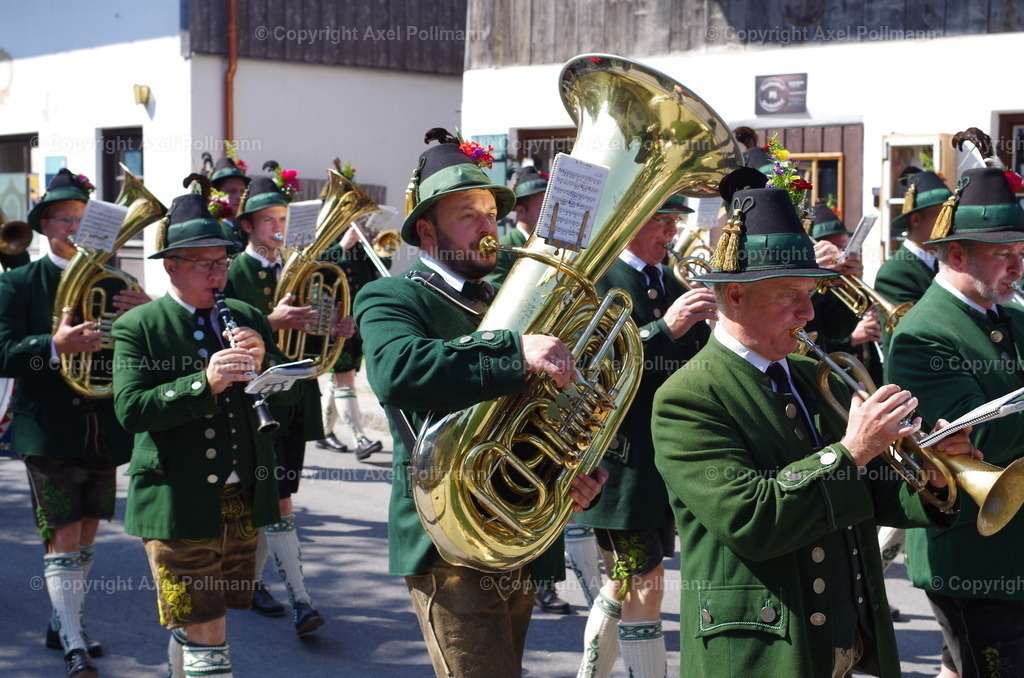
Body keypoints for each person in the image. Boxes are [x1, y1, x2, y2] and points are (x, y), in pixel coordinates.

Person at [651, 178, 976, 678]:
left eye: (810, 294)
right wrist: (853, 448)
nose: (807, 313)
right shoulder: (688, 396)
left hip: (842, 644)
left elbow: (865, 493)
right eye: (788, 296)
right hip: (761, 652)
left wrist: (931, 477)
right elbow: (750, 520)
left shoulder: (808, 375)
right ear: (733, 296)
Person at [353, 129, 605, 678]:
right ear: (427, 230)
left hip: (515, 526)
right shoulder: (393, 296)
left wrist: (570, 471)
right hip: (447, 537)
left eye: (491, 213)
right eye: (469, 214)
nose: (489, 227)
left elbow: (534, 415)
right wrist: (513, 349)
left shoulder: (506, 299)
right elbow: (399, 371)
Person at [111, 192, 302, 678]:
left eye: (222, 263)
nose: (217, 276)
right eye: (203, 265)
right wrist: (204, 382)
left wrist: (268, 366)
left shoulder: (247, 316)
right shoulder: (140, 326)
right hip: (177, 501)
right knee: (208, 626)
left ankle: (181, 664)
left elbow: (286, 400)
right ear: (171, 267)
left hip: (243, 502)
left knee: (202, 617)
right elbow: (131, 411)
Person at [0, 168, 148, 678]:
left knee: (85, 533)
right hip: (48, 429)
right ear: (44, 226)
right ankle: (72, 643)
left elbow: (142, 350)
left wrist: (144, 314)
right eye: (63, 218)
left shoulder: (120, 281)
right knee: (62, 534)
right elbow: (1, 353)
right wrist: (53, 348)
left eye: (81, 219)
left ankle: (64, 620)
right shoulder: (19, 282)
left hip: (101, 424)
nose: (72, 226)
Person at [887, 166, 1024, 678]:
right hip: (975, 555)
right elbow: (977, 438)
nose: (1017, 266)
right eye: (1002, 255)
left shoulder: (1006, 315)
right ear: (958, 254)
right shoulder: (923, 334)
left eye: (1020, 252)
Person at [575, 195, 715, 678]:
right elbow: (593, 367)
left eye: (675, 222)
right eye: (663, 222)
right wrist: (665, 328)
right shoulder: (600, 279)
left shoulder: (670, 280)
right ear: (634, 220)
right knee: (645, 581)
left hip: (663, 461)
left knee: (624, 583)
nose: (672, 233)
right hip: (621, 466)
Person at [222, 174, 353, 632]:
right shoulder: (235, 271)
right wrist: (270, 321)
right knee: (276, 499)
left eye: (282, 219)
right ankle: (300, 599)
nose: (277, 227)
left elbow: (310, 332)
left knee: (280, 494)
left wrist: (333, 329)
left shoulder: (303, 266)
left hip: (297, 394)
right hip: (258, 400)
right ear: (249, 227)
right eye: (268, 221)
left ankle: (253, 580)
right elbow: (231, 331)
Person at [485, 163, 587, 615]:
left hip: (553, 370)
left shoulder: (562, 249)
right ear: (524, 210)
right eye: (537, 203)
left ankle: (544, 578)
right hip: (517, 370)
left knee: (557, 472)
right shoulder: (506, 253)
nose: (546, 208)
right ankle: (538, 577)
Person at [317, 220, 386, 459]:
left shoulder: (361, 242)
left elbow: (380, 267)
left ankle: (323, 432)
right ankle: (359, 438)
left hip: (358, 317)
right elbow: (315, 268)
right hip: (336, 319)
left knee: (339, 379)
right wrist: (343, 246)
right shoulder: (326, 236)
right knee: (344, 375)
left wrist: (374, 244)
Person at [874, 170, 952, 322]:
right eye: (942, 216)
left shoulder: (942, 262)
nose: (950, 224)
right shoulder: (894, 274)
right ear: (915, 220)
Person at [488, 164, 547, 287]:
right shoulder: (501, 250)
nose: (549, 213)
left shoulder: (553, 245)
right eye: (542, 208)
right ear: (521, 212)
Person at [206, 153, 250, 245]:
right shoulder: (212, 230)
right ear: (217, 195)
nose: (240, 196)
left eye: (243, 191)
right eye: (232, 191)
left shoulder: (249, 229)